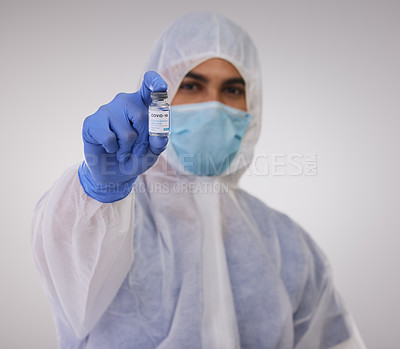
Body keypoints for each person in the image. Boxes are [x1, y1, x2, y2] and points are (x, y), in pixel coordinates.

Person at [31, 12, 366, 349]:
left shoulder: (287, 244)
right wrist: (99, 191)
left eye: (232, 89)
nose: (214, 106)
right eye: (192, 85)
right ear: (159, 101)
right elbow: (67, 260)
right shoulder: (103, 217)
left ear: (253, 105)